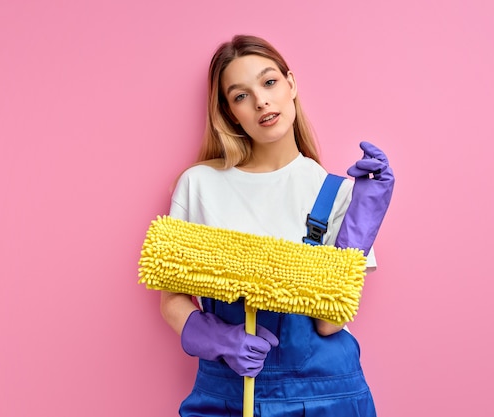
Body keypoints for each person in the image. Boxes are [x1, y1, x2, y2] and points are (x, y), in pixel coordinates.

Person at [159, 34, 393, 417]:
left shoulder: (333, 192)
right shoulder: (199, 184)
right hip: (225, 395)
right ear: (230, 112)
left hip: (325, 397)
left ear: (291, 84)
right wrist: (214, 337)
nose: (261, 101)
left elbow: (329, 324)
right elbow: (171, 300)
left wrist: (362, 221)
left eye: (269, 82)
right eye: (240, 95)